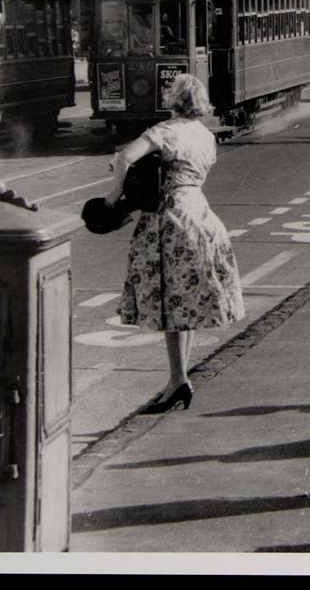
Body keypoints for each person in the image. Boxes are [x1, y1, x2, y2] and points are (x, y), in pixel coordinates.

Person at [105, 74, 245, 413]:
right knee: (189, 300)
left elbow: (124, 158)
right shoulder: (206, 136)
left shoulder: (165, 131)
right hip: (201, 214)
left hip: (170, 218)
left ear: (174, 100)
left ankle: (178, 379)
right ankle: (178, 379)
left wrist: (113, 195)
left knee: (169, 301)